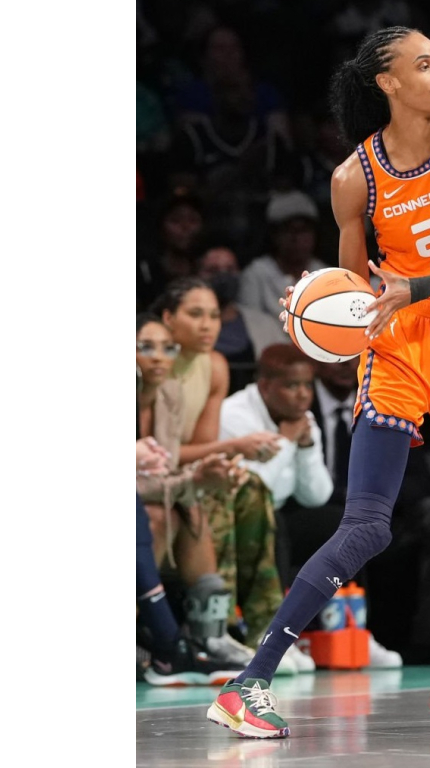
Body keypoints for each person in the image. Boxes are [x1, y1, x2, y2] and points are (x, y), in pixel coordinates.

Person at [207, 26, 430, 738]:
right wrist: (314, 315)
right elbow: (354, 294)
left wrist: (420, 285)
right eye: (423, 65)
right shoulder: (355, 178)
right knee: (366, 527)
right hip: (399, 344)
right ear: (387, 82)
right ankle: (248, 684)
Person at [150, 278, 305, 675]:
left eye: (214, 316)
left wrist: (221, 462)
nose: (207, 325)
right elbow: (165, 452)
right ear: (168, 318)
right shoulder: (155, 366)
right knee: (211, 497)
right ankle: (219, 629)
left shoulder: (215, 366)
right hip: (156, 473)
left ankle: (263, 632)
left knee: (249, 487)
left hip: (186, 470)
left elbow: (201, 445)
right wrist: (234, 448)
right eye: (195, 314)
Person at [310, 356, 430, 666]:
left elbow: (420, 479)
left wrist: (376, 496)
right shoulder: (299, 399)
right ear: (315, 357)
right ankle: (351, 633)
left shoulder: (386, 398)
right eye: (336, 356)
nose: (344, 364)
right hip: (325, 510)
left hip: (387, 512)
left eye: (351, 356)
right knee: (343, 522)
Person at [135, 312, 255, 679]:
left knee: (191, 510)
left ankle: (209, 637)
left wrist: (204, 479)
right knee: (158, 516)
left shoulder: (169, 395)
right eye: (146, 347)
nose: (159, 357)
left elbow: (165, 471)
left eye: (167, 348)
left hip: (147, 498)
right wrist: (195, 480)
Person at [195, 244, 289, 393]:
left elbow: (287, 368)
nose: (223, 277)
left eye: (230, 269)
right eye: (213, 270)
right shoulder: (185, 325)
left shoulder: (264, 324)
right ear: (197, 275)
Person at [237, 190, 329, 323]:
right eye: (290, 230)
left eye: (304, 230)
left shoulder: (326, 275)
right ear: (274, 235)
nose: (297, 238)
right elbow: (250, 324)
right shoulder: (256, 274)